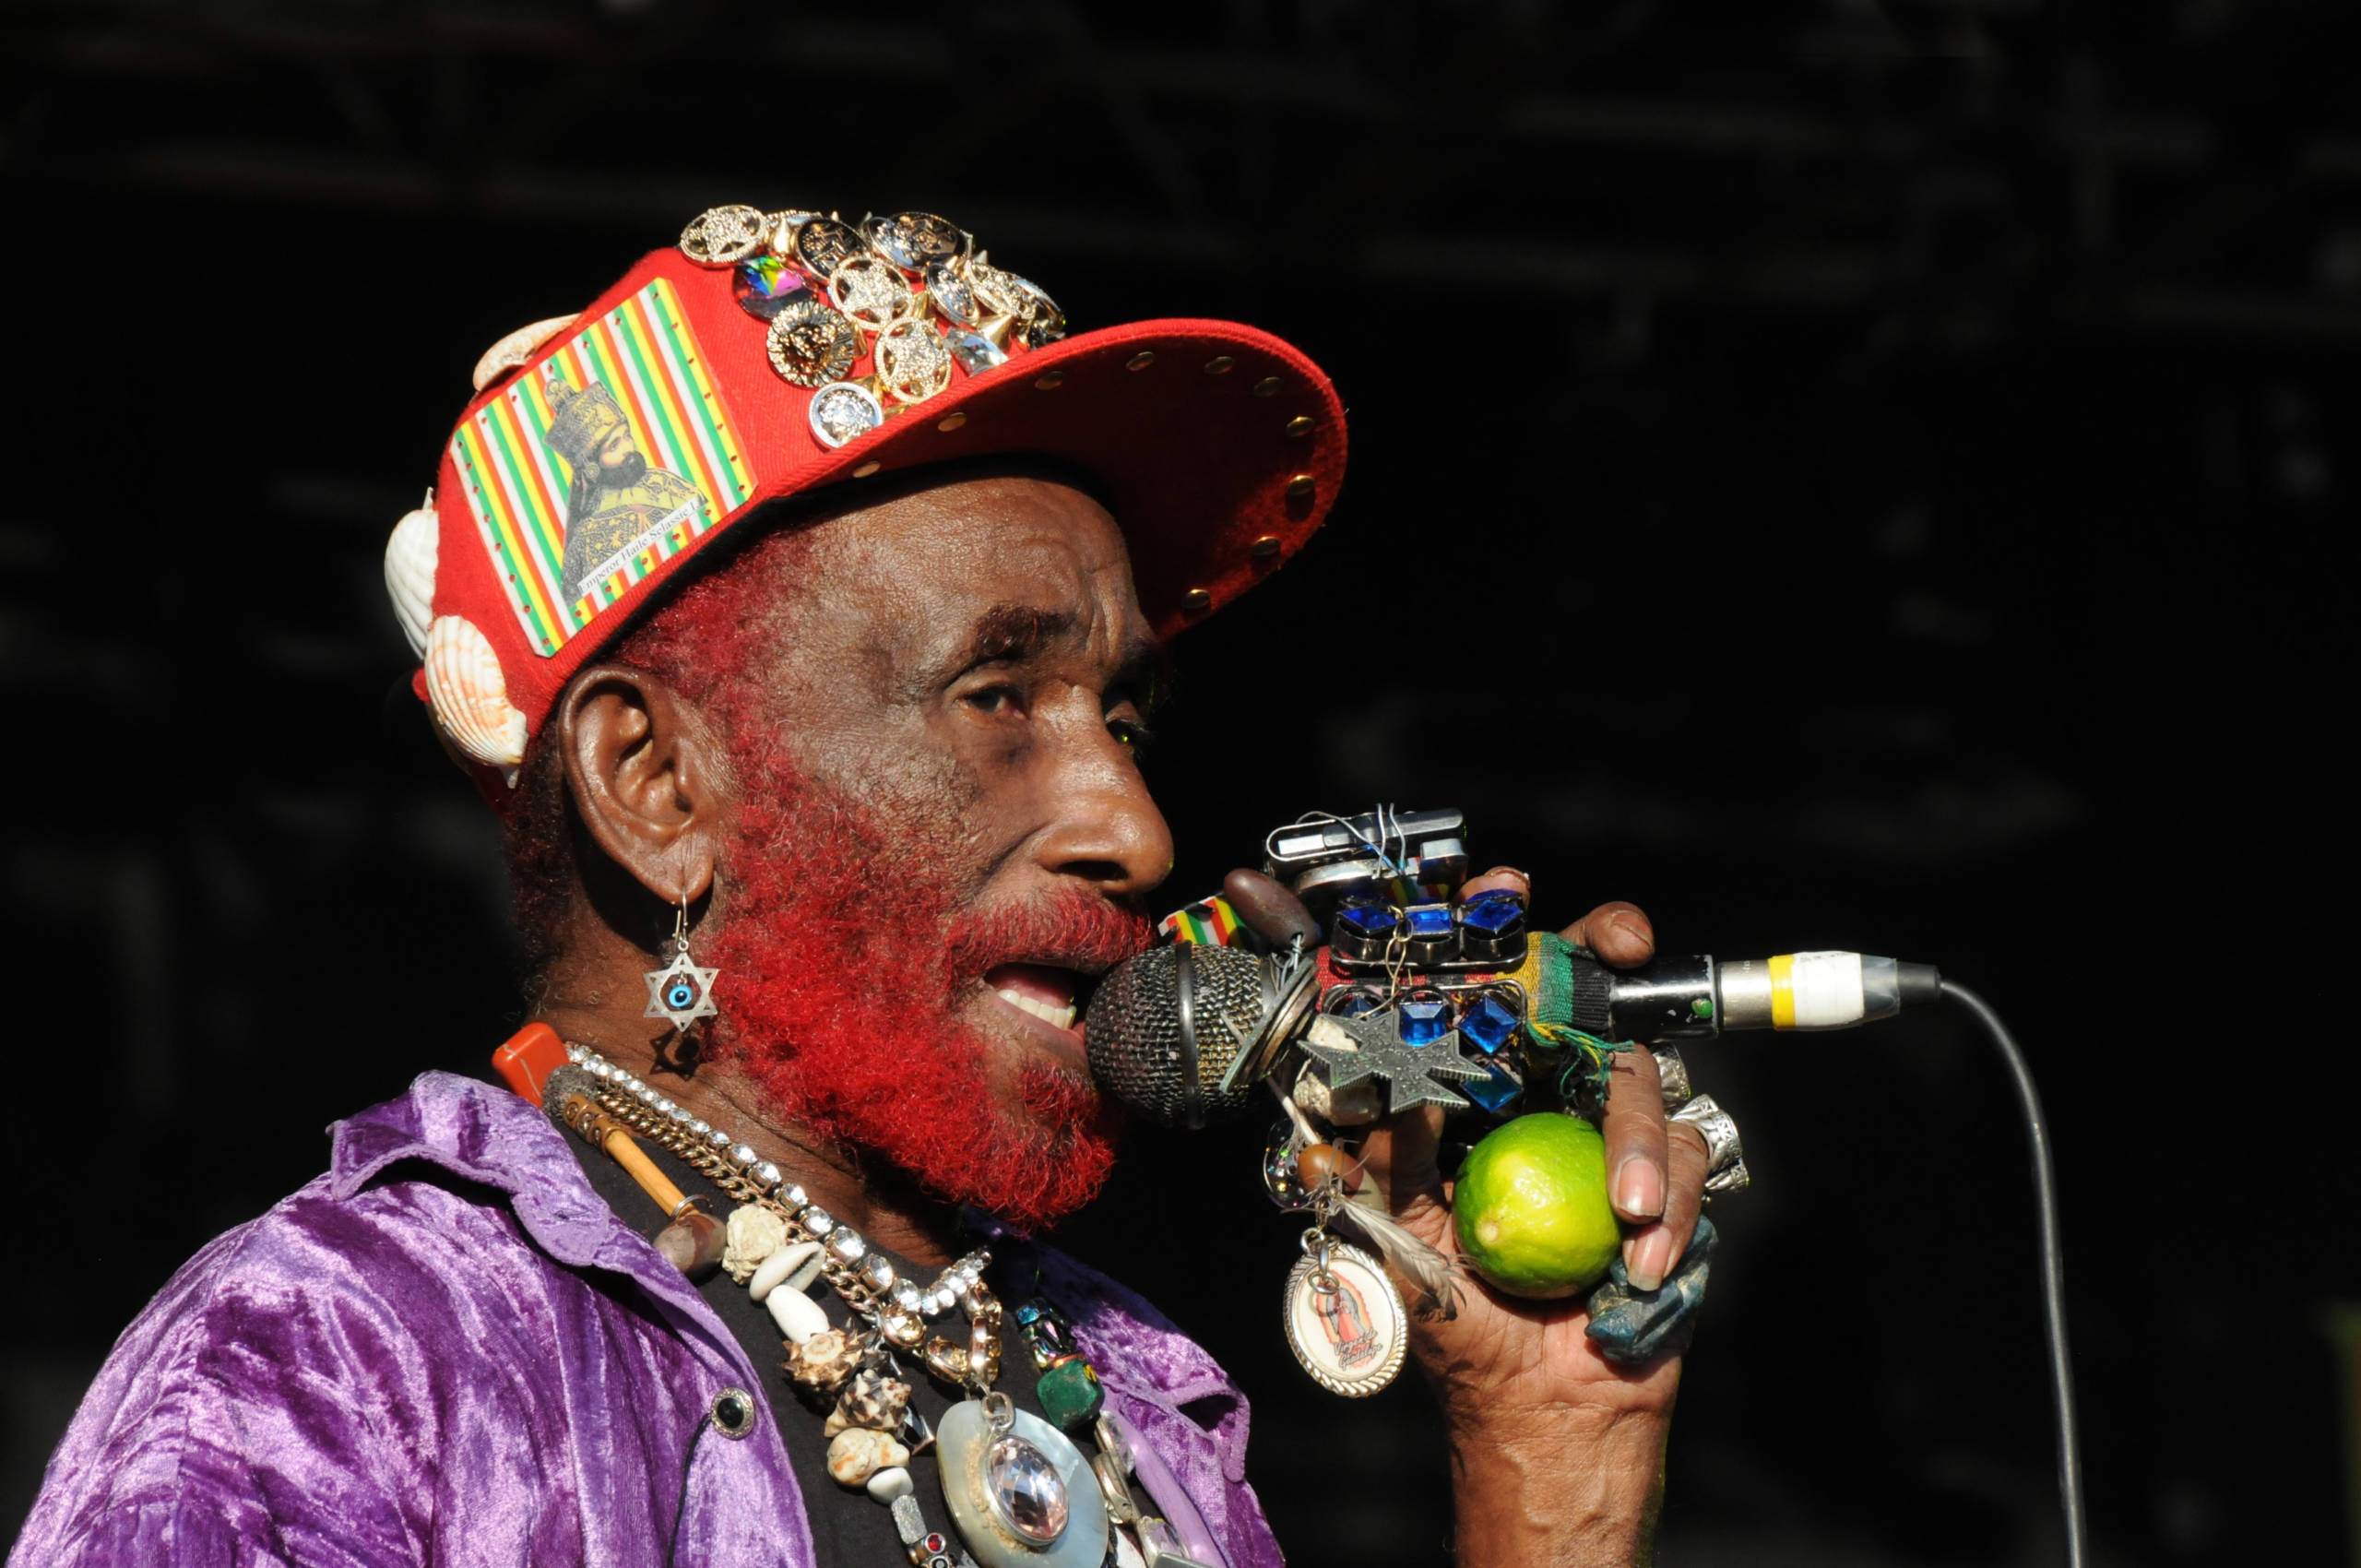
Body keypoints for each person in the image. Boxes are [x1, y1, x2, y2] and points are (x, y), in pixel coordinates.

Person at [10, 202, 1721, 1568]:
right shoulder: (352, 1369)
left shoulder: (1136, 1399)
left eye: (1121, 713)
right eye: (1000, 696)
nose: (1130, 825)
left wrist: (1552, 1455)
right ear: (657, 787)